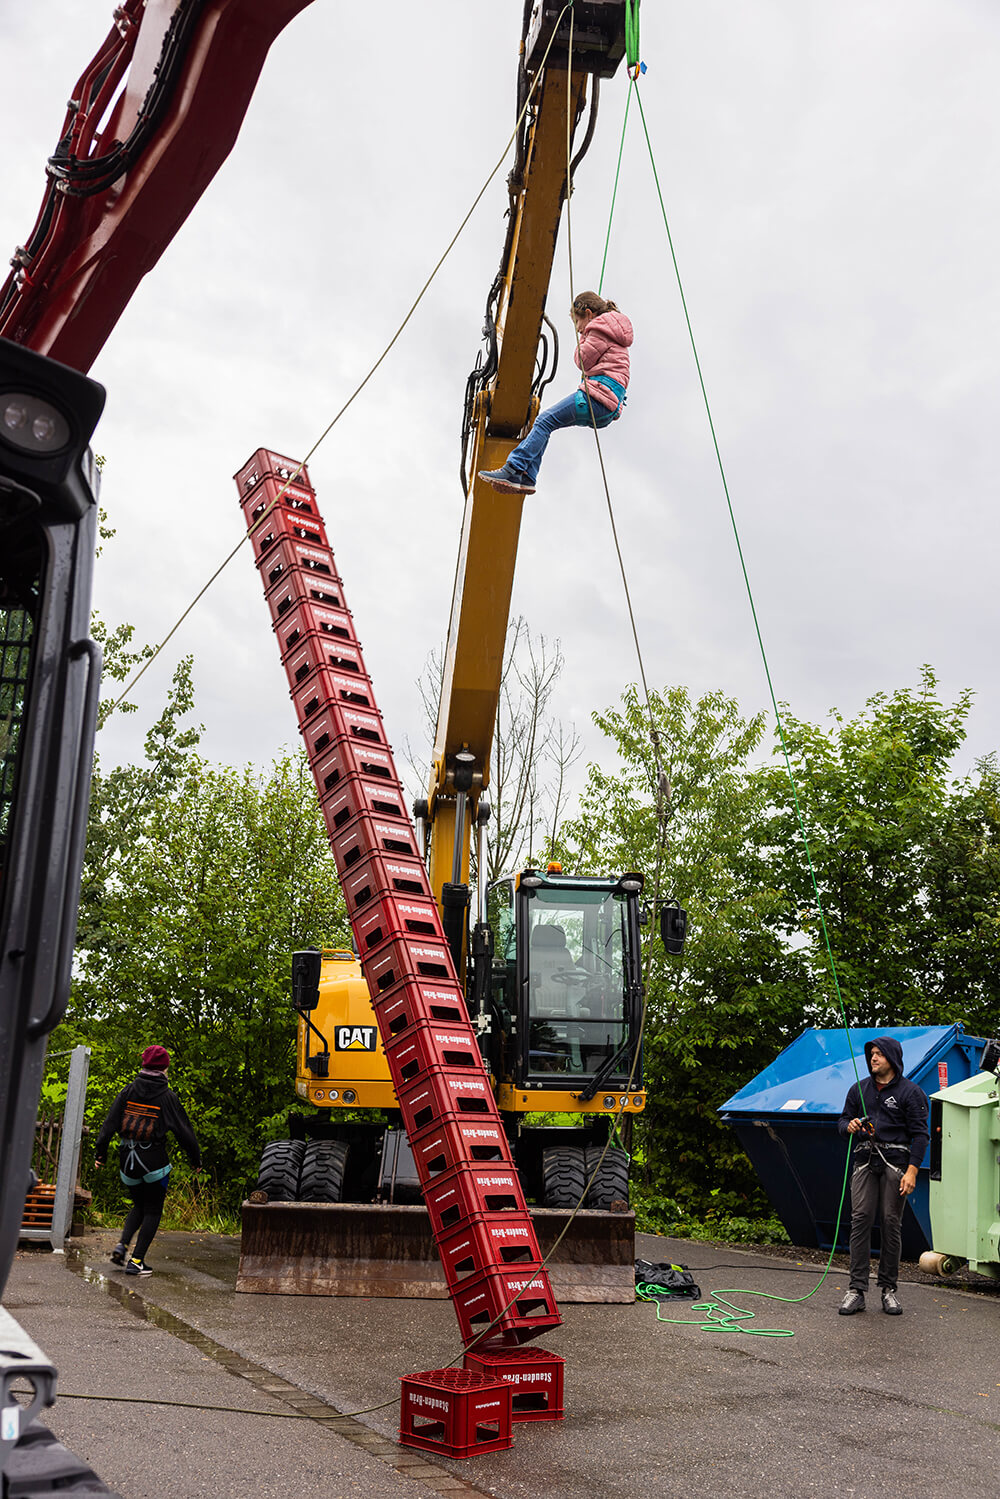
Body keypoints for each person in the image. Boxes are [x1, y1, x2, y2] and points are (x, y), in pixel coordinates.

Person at [478, 291, 632, 494]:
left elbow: (582, 361)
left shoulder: (599, 329)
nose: (578, 330)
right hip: (609, 403)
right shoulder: (613, 330)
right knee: (548, 423)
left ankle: (514, 468)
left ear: (588, 313)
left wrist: (584, 339)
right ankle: (527, 478)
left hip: (598, 397)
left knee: (544, 421)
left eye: (577, 322)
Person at [836, 1036, 928, 1316]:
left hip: (896, 1161)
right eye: (871, 1054)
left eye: (879, 1054)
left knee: (891, 1222)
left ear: (892, 1058)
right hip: (864, 1159)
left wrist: (912, 1171)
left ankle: (889, 1289)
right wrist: (848, 1126)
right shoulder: (858, 1089)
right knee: (860, 1219)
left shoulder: (910, 1093)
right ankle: (856, 1290)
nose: (873, 1058)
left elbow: (921, 1135)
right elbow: (841, 1122)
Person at [94, 1045, 201, 1277]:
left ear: (143, 1065)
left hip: (127, 1164)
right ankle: (137, 1261)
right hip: (155, 1165)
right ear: (165, 1067)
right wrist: (196, 1160)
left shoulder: (128, 1091)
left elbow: (108, 1126)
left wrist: (100, 1155)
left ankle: (121, 1246)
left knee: (139, 1206)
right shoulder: (167, 1097)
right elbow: (185, 1133)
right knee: (152, 1210)